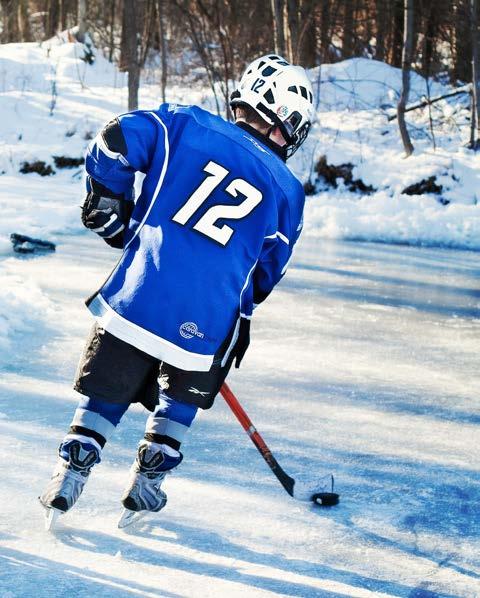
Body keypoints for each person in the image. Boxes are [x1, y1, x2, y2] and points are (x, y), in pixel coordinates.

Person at [40, 54, 315, 526]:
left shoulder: (183, 124)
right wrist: (239, 309)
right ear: (288, 119)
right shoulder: (287, 190)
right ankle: (147, 482)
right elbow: (266, 274)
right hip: (204, 322)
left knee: (111, 377)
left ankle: (71, 471)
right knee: (196, 370)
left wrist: (107, 201)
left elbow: (115, 138)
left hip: (136, 297)